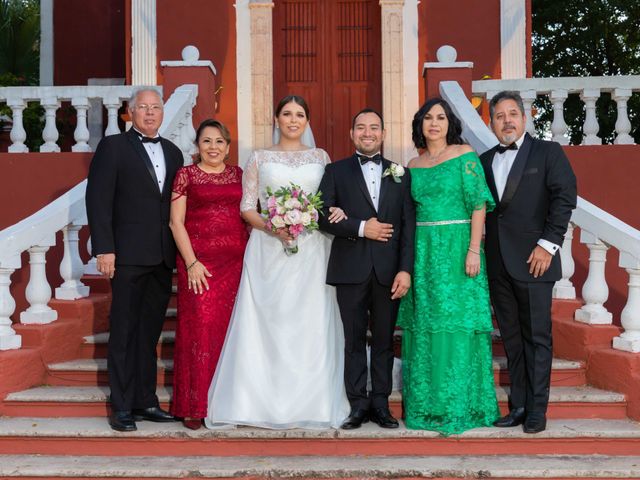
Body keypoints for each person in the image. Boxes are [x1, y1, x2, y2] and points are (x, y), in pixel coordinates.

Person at [204, 95, 350, 429]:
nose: (293, 120)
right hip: (268, 248)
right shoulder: (259, 157)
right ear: (277, 119)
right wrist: (276, 226)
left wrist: (330, 213)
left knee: (310, 320)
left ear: (307, 121)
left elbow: (329, 202)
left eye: (300, 114)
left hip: (313, 249)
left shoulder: (320, 157)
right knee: (269, 320)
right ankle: (255, 401)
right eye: (287, 113)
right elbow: (247, 207)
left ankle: (314, 401)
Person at [396, 98, 499, 435]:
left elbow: (479, 204)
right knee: (426, 326)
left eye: (441, 117)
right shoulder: (413, 163)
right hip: (424, 253)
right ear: (420, 125)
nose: (434, 123)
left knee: (457, 324)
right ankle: (428, 406)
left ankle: (461, 405)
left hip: (457, 248)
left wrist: (473, 250)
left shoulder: (464, 155)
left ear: (449, 123)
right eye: (428, 118)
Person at [86, 88, 183, 432]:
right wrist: (104, 249)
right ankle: (122, 406)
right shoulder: (113, 148)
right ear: (131, 112)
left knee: (149, 334)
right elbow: (98, 200)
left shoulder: (173, 153)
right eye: (143, 107)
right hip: (125, 256)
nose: (150, 112)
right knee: (124, 333)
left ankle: (145, 401)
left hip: (161, 256)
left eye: (155, 107)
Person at [480, 91, 577, 434]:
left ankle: (538, 410)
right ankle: (519, 405)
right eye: (499, 116)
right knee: (512, 338)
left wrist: (547, 245)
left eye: (512, 114)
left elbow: (565, 198)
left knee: (537, 337)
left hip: (535, 260)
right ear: (491, 123)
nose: (506, 120)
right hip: (498, 263)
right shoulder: (484, 159)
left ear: (524, 118)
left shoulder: (547, 152)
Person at [318, 108, 415, 430]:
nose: (368, 133)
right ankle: (357, 404)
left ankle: (381, 404)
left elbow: (407, 227)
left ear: (384, 134)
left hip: (390, 272)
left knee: (386, 340)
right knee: (354, 340)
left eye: (374, 128)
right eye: (361, 127)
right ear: (352, 134)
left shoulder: (401, 173)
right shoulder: (335, 171)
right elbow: (321, 217)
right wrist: (361, 228)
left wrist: (405, 270)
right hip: (350, 269)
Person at [168, 120, 248, 430]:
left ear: (228, 146)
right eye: (206, 141)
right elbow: (176, 222)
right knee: (200, 331)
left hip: (236, 265)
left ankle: (227, 402)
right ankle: (195, 404)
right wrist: (191, 263)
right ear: (197, 146)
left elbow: (248, 212)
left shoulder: (239, 174)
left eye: (219, 141)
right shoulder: (185, 176)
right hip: (199, 265)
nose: (213, 147)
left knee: (231, 332)